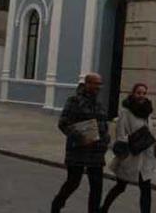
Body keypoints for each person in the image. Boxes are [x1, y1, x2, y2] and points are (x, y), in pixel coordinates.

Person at [51, 73, 110, 213]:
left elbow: (103, 124)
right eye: (96, 84)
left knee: (97, 186)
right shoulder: (74, 101)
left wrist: (106, 138)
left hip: (96, 152)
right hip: (78, 150)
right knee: (73, 182)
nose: (98, 87)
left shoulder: (99, 104)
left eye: (100, 84)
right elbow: (63, 123)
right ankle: (57, 204)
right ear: (87, 84)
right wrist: (82, 138)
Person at [101, 83, 156, 213]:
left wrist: (154, 144)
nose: (141, 95)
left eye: (144, 93)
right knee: (120, 186)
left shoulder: (147, 112)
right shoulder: (125, 112)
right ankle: (103, 209)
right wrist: (136, 139)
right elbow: (120, 135)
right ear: (133, 93)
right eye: (138, 92)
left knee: (146, 190)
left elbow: (152, 131)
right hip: (131, 157)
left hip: (146, 158)